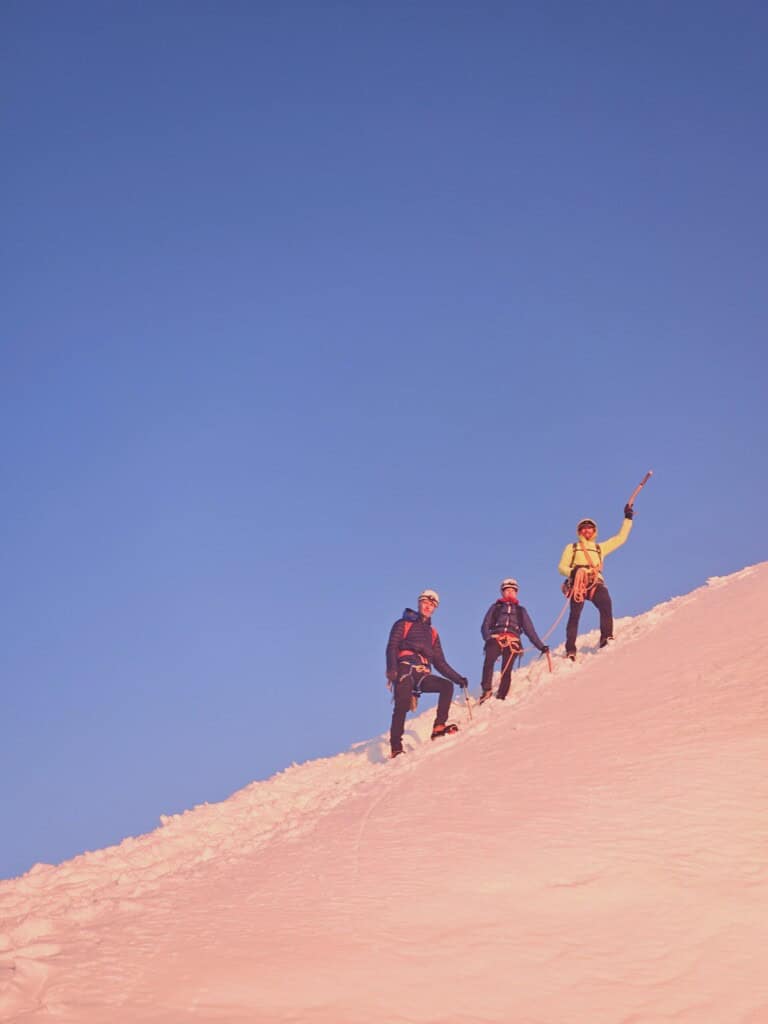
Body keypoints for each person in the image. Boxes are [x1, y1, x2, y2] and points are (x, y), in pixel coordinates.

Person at [385, 589, 468, 758]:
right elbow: (392, 647)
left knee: (446, 686)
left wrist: (457, 678)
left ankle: (439, 727)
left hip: (422, 672)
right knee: (402, 704)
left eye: (432, 605)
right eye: (426, 603)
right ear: (419, 603)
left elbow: (439, 662)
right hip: (405, 668)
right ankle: (396, 747)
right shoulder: (403, 624)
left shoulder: (433, 633)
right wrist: (392, 669)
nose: (428, 607)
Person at [558, 505, 634, 660]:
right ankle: (570, 649)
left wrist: (628, 518)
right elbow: (561, 567)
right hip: (577, 584)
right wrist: (573, 571)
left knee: (606, 604)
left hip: (595, 582)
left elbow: (620, 538)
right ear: (579, 532)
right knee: (574, 616)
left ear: (594, 531)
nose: (587, 531)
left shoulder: (600, 548)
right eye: (584, 528)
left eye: (590, 528)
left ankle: (606, 637)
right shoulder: (572, 548)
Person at [479, 579, 549, 702]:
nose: (510, 593)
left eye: (512, 591)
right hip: (496, 637)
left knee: (507, 668)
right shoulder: (495, 608)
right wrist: (488, 639)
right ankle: (486, 690)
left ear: (516, 593)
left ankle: (502, 695)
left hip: (513, 640)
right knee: (489, 660)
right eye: (507, 591)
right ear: (502, 592)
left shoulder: (521, 611)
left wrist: (541, 646)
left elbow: (529, 630)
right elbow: (485, 625)